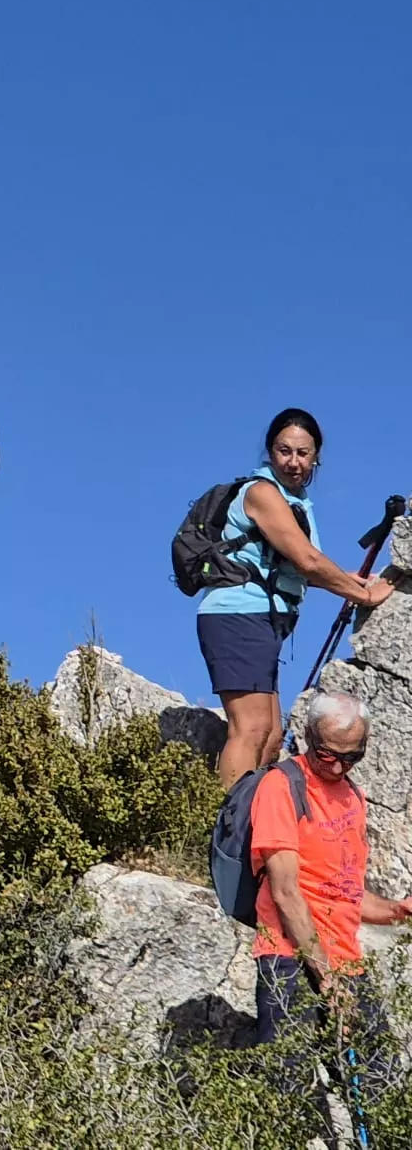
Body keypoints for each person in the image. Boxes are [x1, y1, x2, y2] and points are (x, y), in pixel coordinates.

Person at [199, 409, 393, 788]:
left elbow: (292, 567)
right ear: (269, 452)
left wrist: (347, 581)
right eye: (283, 451)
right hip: (237, 616)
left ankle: (250, 819)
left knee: (271, 737)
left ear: (316, 456)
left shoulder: (295, 500)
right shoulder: (263, 493)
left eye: (303, 453)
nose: (293, 461)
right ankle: (228, 833)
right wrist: (363, 594)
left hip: (261, 621)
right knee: (252, 730)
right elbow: (307, 560)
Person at [252, 691, 411, 1069]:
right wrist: (325, 979)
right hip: (289, 959)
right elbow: (286, 892)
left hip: (347, 965)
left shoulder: (353, 797)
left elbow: (347, 895)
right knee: (288, 1089)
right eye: (328, 755)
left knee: (379, 1081)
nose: (339, 768)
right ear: (308, 735)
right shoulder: (281, 787)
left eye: (352, 757)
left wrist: (399, 910)